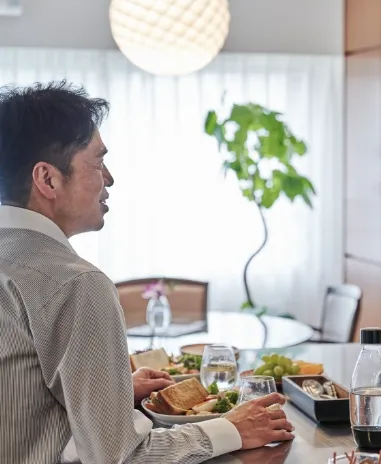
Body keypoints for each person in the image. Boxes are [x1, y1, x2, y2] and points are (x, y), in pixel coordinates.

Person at [0, 81, 294, 464]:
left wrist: (114, 393)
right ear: (48, 179)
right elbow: (119, 458)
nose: (109, 178)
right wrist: (231, 429)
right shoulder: (76, 284)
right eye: (98, 161)